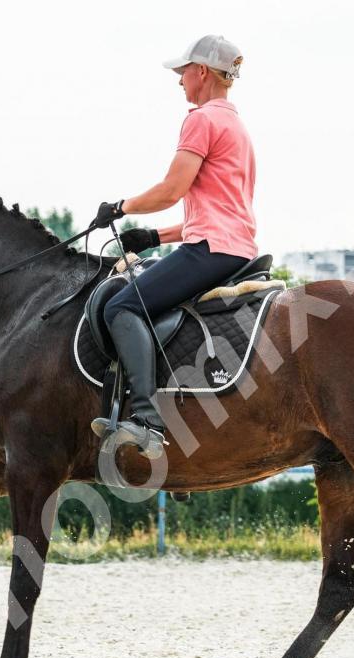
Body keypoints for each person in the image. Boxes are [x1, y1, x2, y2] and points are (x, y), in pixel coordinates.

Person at [91, 34, 258, 459]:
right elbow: (214, 210)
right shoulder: (236, 125)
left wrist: (120, 207)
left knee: (121, 307)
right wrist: (153, 237)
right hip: (232, 245)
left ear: (202, 72)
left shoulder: (201, 120)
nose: (179, 81)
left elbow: (171, 189)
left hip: (210, 249)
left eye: (183, 72)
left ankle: (146, 420)